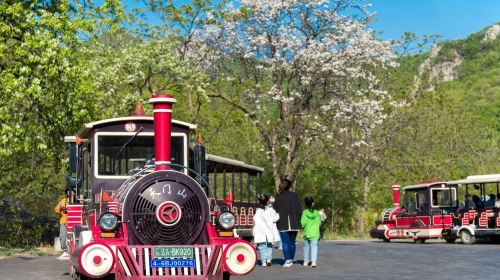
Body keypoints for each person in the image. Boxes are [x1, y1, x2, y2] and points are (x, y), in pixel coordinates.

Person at [273, 179, 302, 268]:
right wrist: (300, 221)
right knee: (292, 242)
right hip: (294, 222)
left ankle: (287, 260)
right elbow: (299, 210)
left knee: (285, 243)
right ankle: (291, 260)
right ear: (290, 187)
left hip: (282, 223)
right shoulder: (295, 196)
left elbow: (275, 211)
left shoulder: (278, 197)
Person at [253, 194, 280, 267]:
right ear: (268, 202)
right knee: (269, 246)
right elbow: (275, 218)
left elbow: (255, 219)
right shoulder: (271, 210)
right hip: (269, 231)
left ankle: (263, 261)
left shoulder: (258, 211)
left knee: (262, 247)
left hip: (260, 231)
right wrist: (277, 215)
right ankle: (269, 259)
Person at [301, 196, 320, 268]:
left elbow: (303, 223)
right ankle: (314, 262)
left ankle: (305, 261)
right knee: (314, 247)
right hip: (315, 233)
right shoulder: (317, 213)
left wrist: (303, 227)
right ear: (313, 203)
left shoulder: (305, 212)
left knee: (306, 247)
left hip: (307, 233)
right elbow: (319, 222)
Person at [54, 188, 71, 260]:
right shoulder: (63, 201)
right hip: (64, 222)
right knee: (62, 237)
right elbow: (56, 209)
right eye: (68, 192)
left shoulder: (78, 200)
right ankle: (65, 252)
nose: (69, 193)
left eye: (71, 192)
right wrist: (61, 209)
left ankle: (72, 253)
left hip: (75, 222)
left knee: (73, 239)